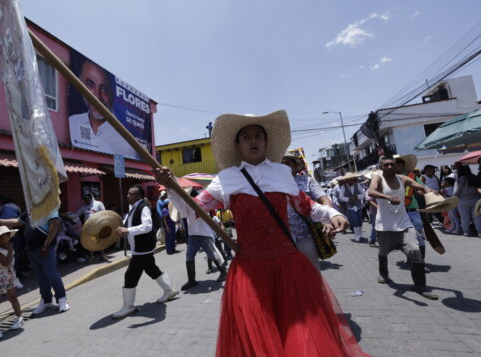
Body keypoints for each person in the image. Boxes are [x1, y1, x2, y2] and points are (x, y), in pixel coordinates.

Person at [156, 111, 368, 356]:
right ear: (237, 145)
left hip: (288, 267)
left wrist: (333, 215)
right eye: (246, 136)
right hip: (250, 273)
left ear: (266, 142)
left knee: (298, 333)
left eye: (258, 135)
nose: (253, 140)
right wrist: (171, 186)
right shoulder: (226, 178)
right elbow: (190, 211)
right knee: (259, 340)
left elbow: (306, 206)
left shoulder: (281, 173)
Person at [368, 157, 438, 300]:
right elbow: (371, 192)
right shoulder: (378, 178)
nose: (389, 166)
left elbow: (418, 185)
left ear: (396, 167)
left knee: (415, 250)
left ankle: (420, 287)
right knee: (383, 252)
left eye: (391, 164)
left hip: (404, 223)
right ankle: (383, 272)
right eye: (385, 165)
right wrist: (387, 197)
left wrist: (427, 189)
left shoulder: (403, 179)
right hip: (384, 225)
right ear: (381, 167)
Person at [0, 210, 70, 315]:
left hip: (45, 248)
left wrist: (46, 245)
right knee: (41, 276)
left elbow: (54, 225)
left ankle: (62, 298)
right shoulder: (30, 210)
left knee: (52, 274)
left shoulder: (49, 206)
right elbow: (17, 221)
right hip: (31, 248)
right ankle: (46, 300)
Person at [112, 185, 178, 319]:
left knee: (130, 275)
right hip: (141, 247)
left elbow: (148, 226)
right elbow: (130, 223)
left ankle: (128, 307)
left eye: (131, 193)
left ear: (138, 196)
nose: (128, 195)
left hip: (142, 248)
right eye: (128, 193)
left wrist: (128, 230)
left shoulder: (143, 207)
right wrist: (123, 228)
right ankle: (169, 290)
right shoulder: (134, 207)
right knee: (151, 269)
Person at [68, 59, 138, 159]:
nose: (97, 96)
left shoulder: (125, 142)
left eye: (104, 89)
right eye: (90, 85)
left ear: (112, 95)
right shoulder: (72, 122)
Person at [65, 192, 108, 263]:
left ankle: (102, 255)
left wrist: (104, 223)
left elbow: (104, 213)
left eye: (88, 198)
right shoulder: (83, 208)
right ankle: (92, 256)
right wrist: (67, 216)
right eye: (85, 198)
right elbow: (76, 214)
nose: (87, 199)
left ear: (91, 197)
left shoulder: (98, 204)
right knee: (90, 241)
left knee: (100, 240)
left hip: (98, 225)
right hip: (88, 227)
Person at [453, 162, 481, 237]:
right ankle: (479, 232)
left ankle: (466, 232)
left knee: (464, 217)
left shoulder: (460, 179)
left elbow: (456, 192)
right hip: (476, 200)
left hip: (463, 201)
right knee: (477, 217)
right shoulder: (474, 177)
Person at [339, 173, 366, 242]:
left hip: (358, 206)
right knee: (355, 220)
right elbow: (341, 197)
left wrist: (357, 196)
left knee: (360, 220)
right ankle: (356, 236)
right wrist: (348, 199)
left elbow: (363, 194)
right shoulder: (343, 187)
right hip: (350, 207)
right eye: (348, 180)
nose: (350, 181)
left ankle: (360, 235)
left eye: (351, 179)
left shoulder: (357, 185)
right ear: (346, 180)